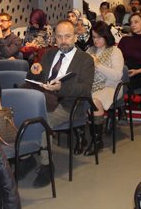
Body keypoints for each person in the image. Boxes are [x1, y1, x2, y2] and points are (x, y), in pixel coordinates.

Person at [26, 20, 95, 188]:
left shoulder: (85, 60)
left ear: (75, 37)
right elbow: (36, 78)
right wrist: (34, 72)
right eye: (59, 37)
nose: (63, 41)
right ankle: (26, 158)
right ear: (54, 38)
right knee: (21, 116)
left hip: (69, 104)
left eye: (67, 36)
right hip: (43, 99)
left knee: (41, 122)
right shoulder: (48, 54)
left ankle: (46, 165)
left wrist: (61, 88)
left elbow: (85, 89)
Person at [84, 21, 124, 156]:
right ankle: (81, 137)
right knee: (79, 96)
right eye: (94, 37)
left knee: (94, 101)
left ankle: (97, 141)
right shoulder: (90, 50)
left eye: (99, 37)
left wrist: (97, 65)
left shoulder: (115, 51)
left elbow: (117, 76)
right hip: (92, 85)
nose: (96, 40)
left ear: (106, 36)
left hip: (111, 86)